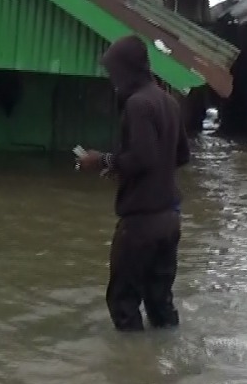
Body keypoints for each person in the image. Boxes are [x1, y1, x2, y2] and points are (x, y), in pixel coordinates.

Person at [77, 35, 191, 331]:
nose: (113, 80)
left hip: (141, 223)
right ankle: (164, 364)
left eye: (114, 71)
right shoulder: (169, 102)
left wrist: (102, 161)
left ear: (126, 70)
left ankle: (132, 371)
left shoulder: (137, 105)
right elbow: (180, 156)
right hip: (169, 219)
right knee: (160, 302)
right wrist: (131, 170)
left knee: (123, 303)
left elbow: (142, 157)